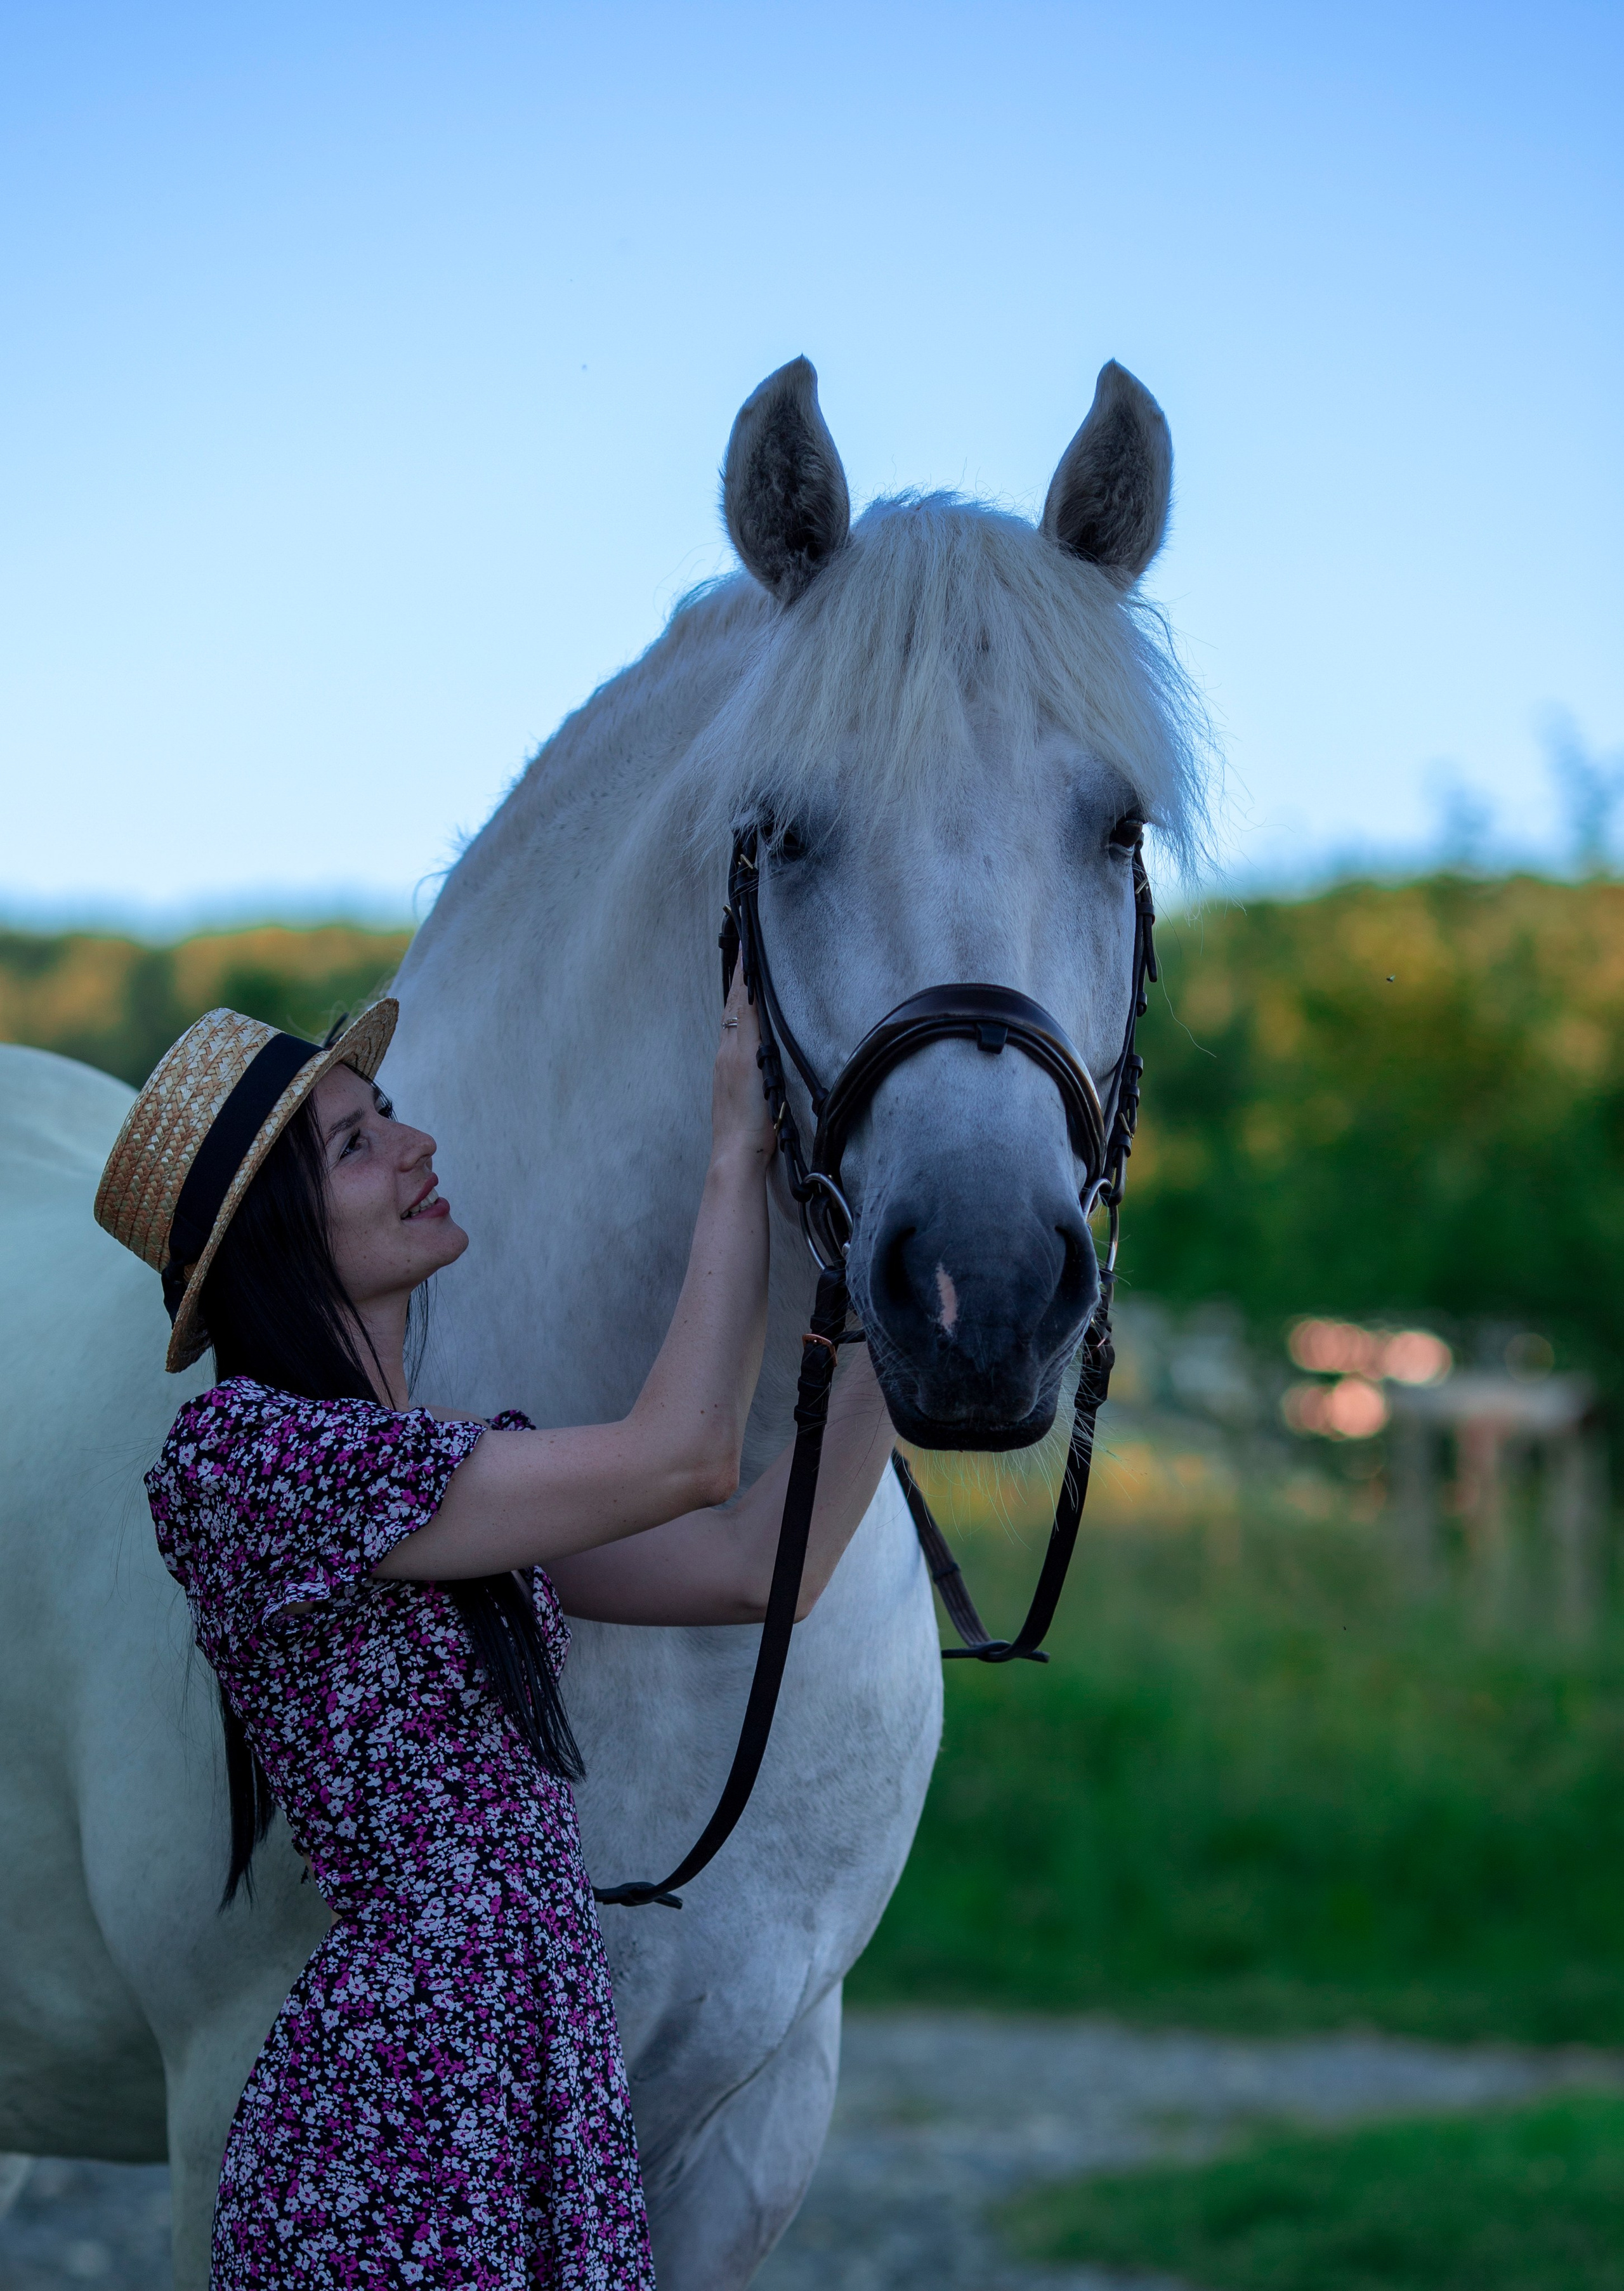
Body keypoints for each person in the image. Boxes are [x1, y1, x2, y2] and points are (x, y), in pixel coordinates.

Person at [93, 976, 894, 2290]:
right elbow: (685, 1457)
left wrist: (909, 1333)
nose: (415, 1146)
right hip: (402, 2110)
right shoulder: (246, 1464)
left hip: (528, 2065)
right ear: (272, 1234)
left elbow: (763, 1563)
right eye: (357, 1145)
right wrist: (730, 1150)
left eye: (388, 1116)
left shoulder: (433, 1482)